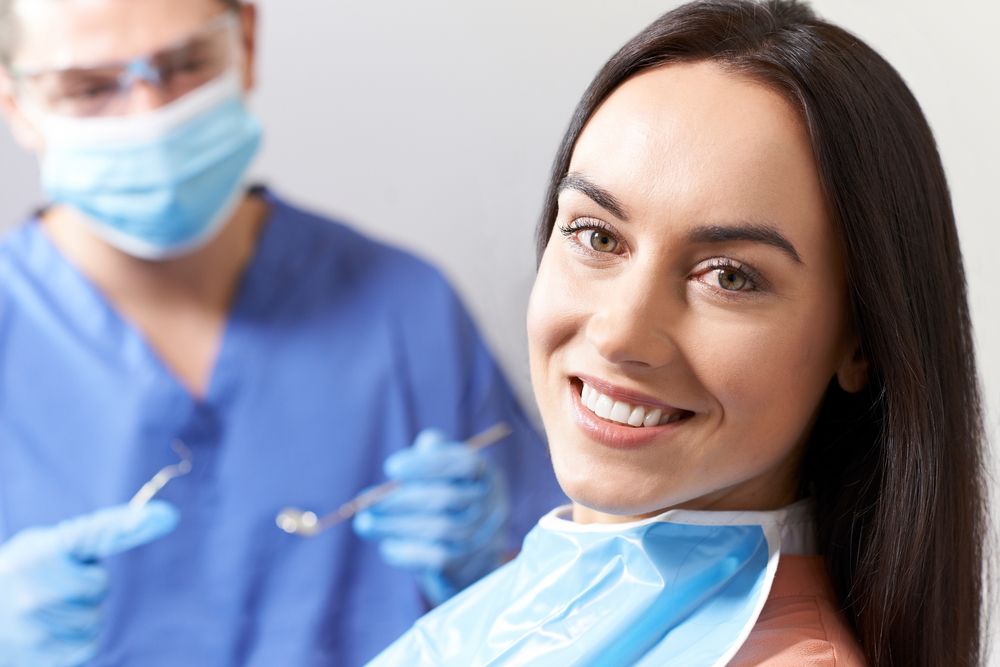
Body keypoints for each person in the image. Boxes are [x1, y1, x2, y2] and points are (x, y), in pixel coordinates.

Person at [370, 1, 987, 665]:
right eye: (596, 234)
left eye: (729, 276)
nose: (620, 333)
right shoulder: (529, 607)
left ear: (859, 342)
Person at [0, 0, 563, 665]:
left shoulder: (404, 308)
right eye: (90, 87)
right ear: (16, 104)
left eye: (184, 65)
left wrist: (494, 566)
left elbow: (576, 608)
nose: (147, 113)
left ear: (245, 41)